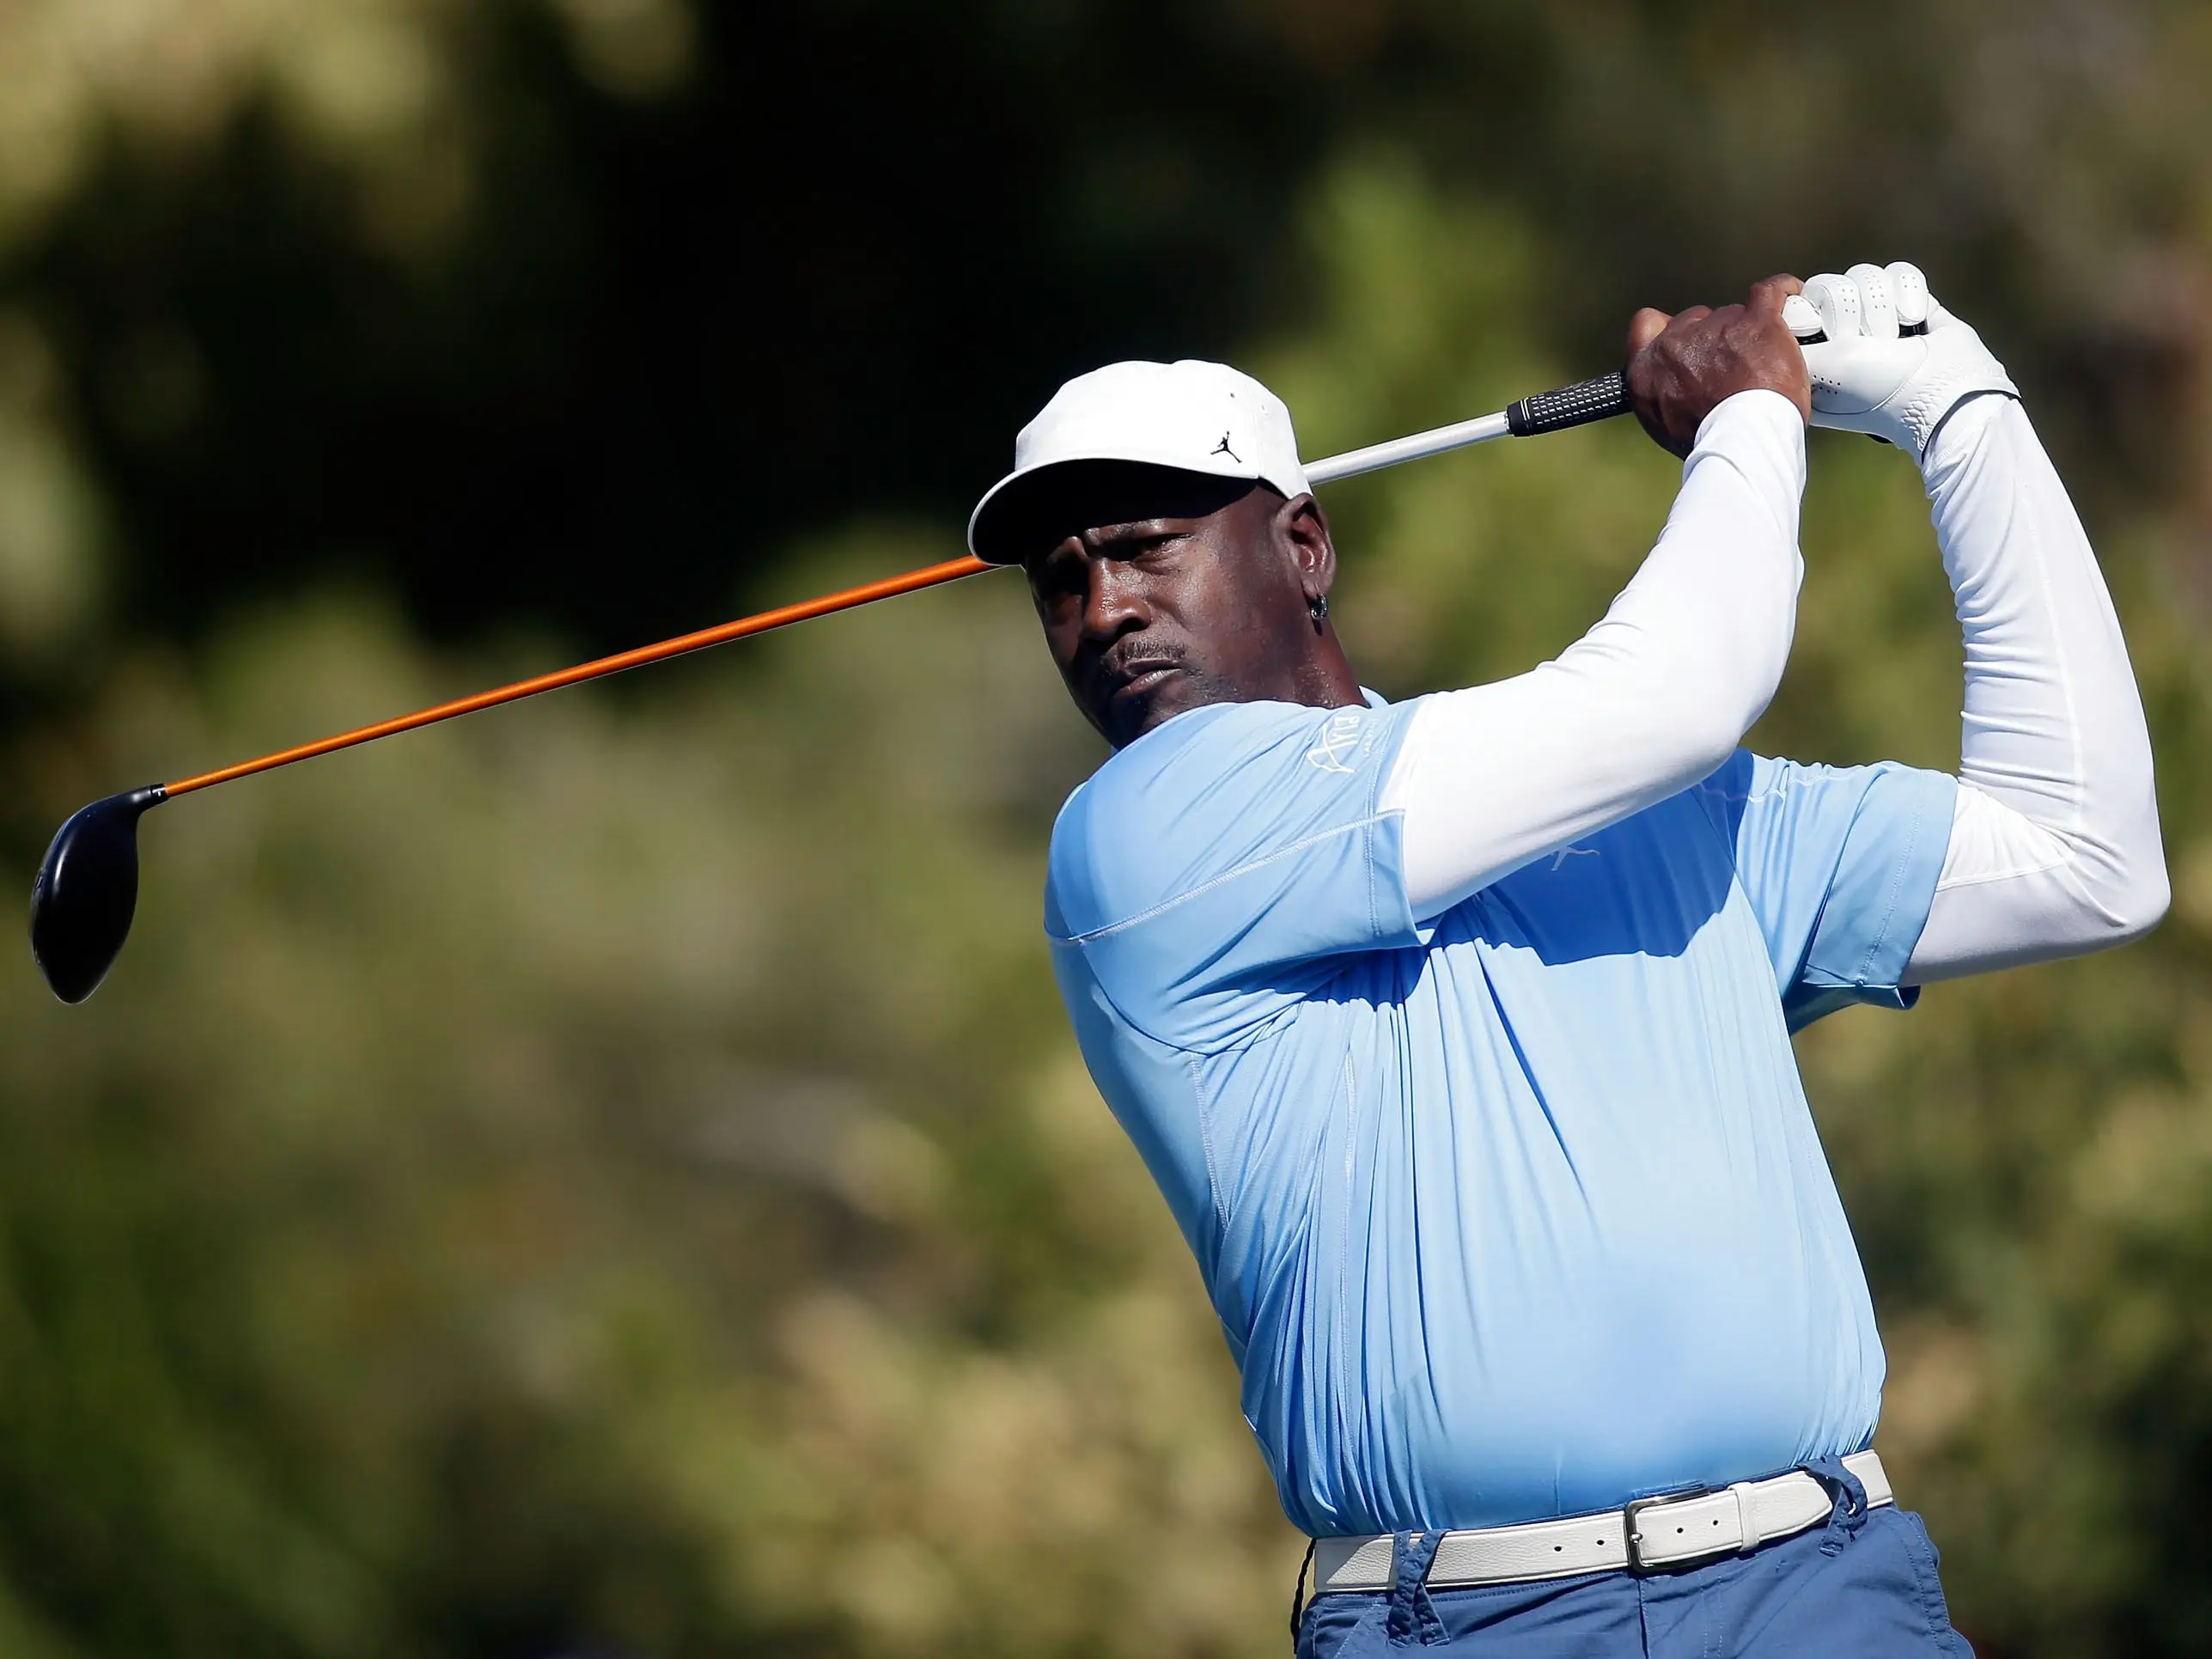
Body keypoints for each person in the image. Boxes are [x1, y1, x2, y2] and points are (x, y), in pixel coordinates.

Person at [964, 267, 2166, 1656]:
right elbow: (1674, 695)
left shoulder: (1667, 807)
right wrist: (1747, 418)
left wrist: (1958, 408)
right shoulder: (1140, 836)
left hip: (1818, 1588)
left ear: (1302, 545)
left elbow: (2083, 857)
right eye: (1060, 582)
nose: (1103, 609)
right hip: (1468, 1618)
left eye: (1144, 547)